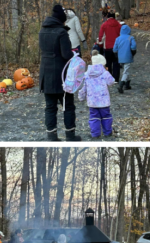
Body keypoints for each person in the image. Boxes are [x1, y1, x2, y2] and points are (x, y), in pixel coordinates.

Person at [39, 4, 81, 142]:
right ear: (61, 20)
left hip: (46, 74)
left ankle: (51, 136)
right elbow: (66, 54)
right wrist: (74, 54)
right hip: (62, 76)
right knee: (68, 105)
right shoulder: (61, 32)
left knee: (50, 107)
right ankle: (70, 135)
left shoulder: (42, 31)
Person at [78, 62, 115, 138]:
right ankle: (108, 133)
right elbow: (111, 82)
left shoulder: (86, 75)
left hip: (92, 102)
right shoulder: (105, 73)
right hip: (104, 101)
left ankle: (95, 134)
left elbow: (83, 88)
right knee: (106, 116)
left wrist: (81, 97)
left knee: (94, 117)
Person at [98, 12, 121, 83]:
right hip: (117, 47)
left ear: (107, 17)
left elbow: (101, 37)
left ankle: (109, 78)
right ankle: (116, 78)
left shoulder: (104, 25)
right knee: (116, 63)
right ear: (114, 17)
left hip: (107, 47)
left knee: (108, 63)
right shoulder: (119, 25)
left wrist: (100, 45)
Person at [112, 24, 136, 93]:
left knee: (126, 69)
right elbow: (134, 46)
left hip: (120, 57)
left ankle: (127, 84)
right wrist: (132, 52)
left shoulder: (118, 38)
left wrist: (117, 55)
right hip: (128, 56)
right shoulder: (130, 38)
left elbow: (114, 49)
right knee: (126, 70)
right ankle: (121, 84)